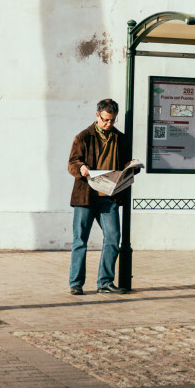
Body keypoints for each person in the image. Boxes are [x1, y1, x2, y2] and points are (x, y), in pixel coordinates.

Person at [67, 98, 135, 295]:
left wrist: (131, 168)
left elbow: (124, 166)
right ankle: (76, 283)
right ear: (97, 115)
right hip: (85, 196)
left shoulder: (120, 138)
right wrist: (81, 168)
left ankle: (104, 282)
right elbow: (72, 162)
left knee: (113, 237)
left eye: (112, 120)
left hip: (109, 196)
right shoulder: (83, 137)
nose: (108, 124)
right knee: (80, 239)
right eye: (105, 120)